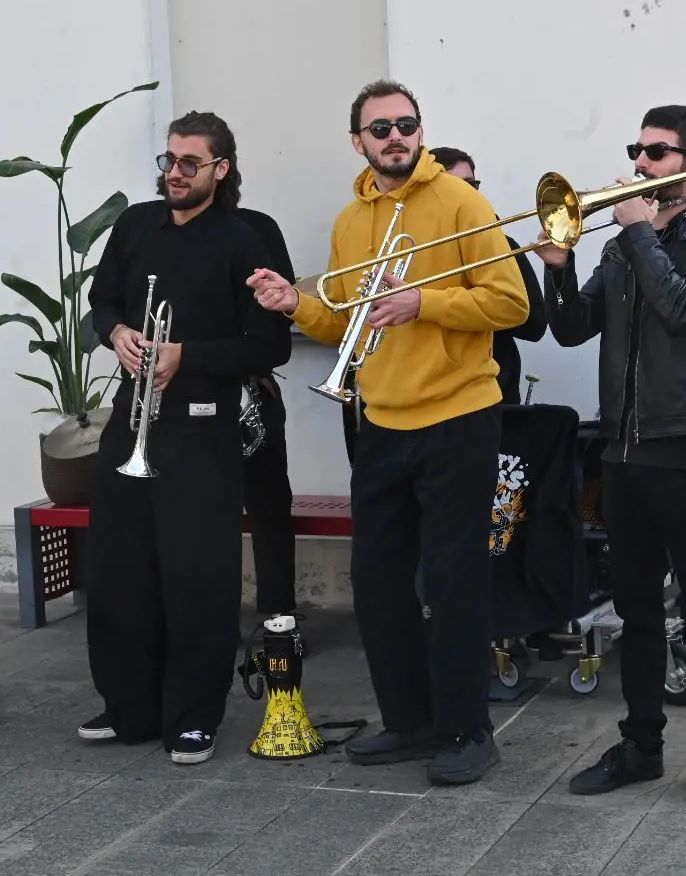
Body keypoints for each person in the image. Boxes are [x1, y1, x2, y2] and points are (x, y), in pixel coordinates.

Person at [247, 79, 528, 786]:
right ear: (359, 142)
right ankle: (409, 721)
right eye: (381, 129)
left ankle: (467, 729)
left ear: (419, 132)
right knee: (376, 582)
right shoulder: (351, 221)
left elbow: (510, 302)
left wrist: (423, 302)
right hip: (379, 418)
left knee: (454, 581)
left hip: (458, 415)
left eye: (406, 124)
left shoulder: (461, 203)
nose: (395, 136)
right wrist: (294, 305)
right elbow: (345, 321)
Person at [538, 105, 686, 809]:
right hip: (625, 449)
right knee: (635, 608)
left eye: (655, 152)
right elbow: (572, 328)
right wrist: (559, 269)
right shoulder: (625, 242)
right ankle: (640, 746)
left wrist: (638, 234)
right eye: (637, 150)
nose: (639, 163)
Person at [77, 111, 292, 764]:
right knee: (119, 571)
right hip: (132, 422)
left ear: (220, 169)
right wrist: (117, 334)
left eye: (189, 163)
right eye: (169, 160)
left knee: (198, 580)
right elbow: (102, 302)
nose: (174, 172)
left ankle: (194, 716)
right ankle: (130, 706)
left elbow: (271, 345)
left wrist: (186, 355)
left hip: (203, 430)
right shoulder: (135, 225)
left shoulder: (246, 238)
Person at [432, 147, 548, 405]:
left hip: (494, 394)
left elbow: (535, 325)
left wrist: (486, 302)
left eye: (472, 185)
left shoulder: (502, 244)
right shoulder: (415, 251)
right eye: (454, 186)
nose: (468, 195)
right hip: (433, 393)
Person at [232, 205, 299, 617]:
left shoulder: (257, 227)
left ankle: (280, 621)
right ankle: (209, 624)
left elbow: (280, 316)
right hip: (185, 397)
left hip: (253, 389)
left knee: (270, 507)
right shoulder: (159, 232)